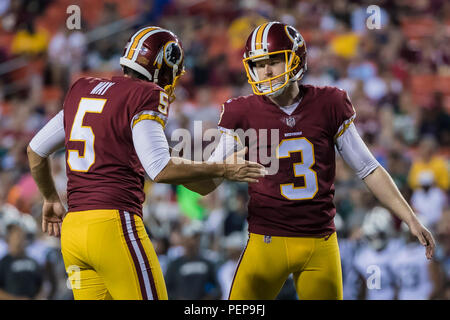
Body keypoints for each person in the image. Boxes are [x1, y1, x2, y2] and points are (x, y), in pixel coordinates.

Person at [184, 21, 435, 300]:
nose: (265, 70)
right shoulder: (241, 112)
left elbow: (369, 168)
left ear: (296, 59)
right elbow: (208, 183)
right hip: (267, 241)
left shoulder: (328, 103)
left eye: (274, 61)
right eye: (259, 64)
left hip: (320, 242)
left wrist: (410, 219)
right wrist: (188, 170)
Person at [26, 26, 265, 300]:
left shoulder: (82, 88)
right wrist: (222, 167)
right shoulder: (146, 94)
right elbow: (159, 168)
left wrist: (49, 198)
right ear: (163, 65)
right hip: (113, 226)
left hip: (73, 232)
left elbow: (35, 150)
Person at [0, 223, 43, 300]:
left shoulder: (33, 262)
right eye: (17, 236)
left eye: (22, 236)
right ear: (8, 239)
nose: (20, 240)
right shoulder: (3, 263)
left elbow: (41, 286)